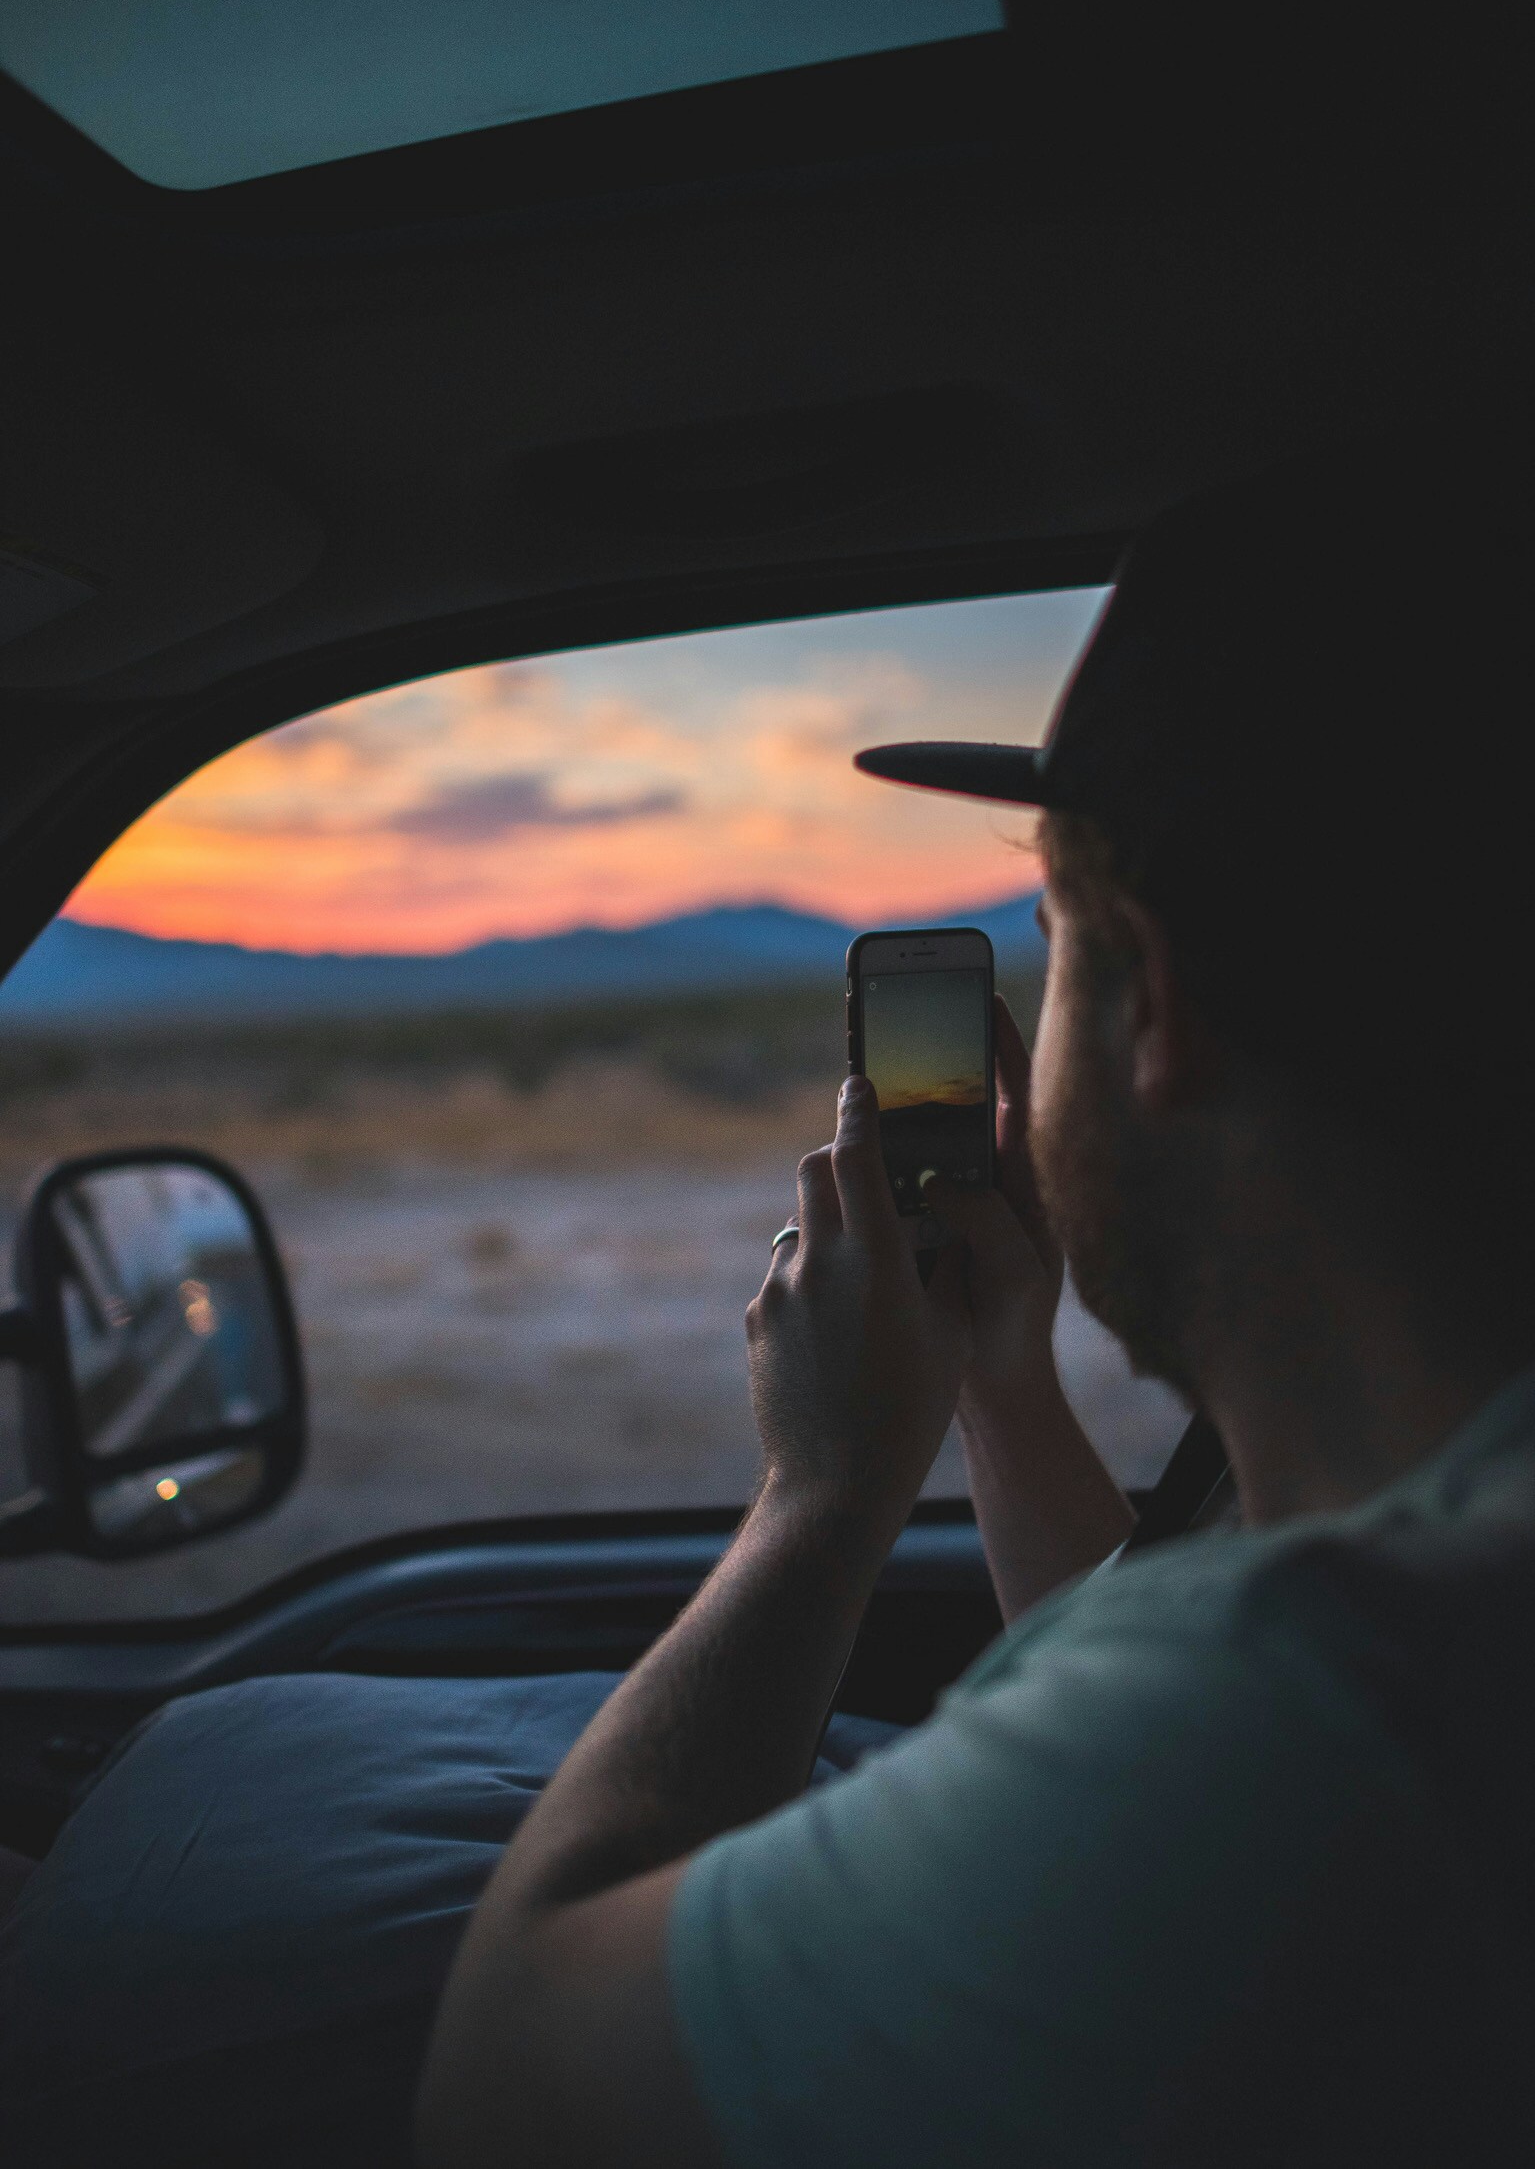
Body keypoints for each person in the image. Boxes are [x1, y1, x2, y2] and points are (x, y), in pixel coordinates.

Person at [413, 444, 1535, 2167]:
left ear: (1153, 1001)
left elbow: (513, 2087)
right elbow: (1124, 1644)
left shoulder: (1327, 1707)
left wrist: (821, 1500)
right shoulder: (1425, 1516)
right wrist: (1001, 1380)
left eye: (1055, 941)